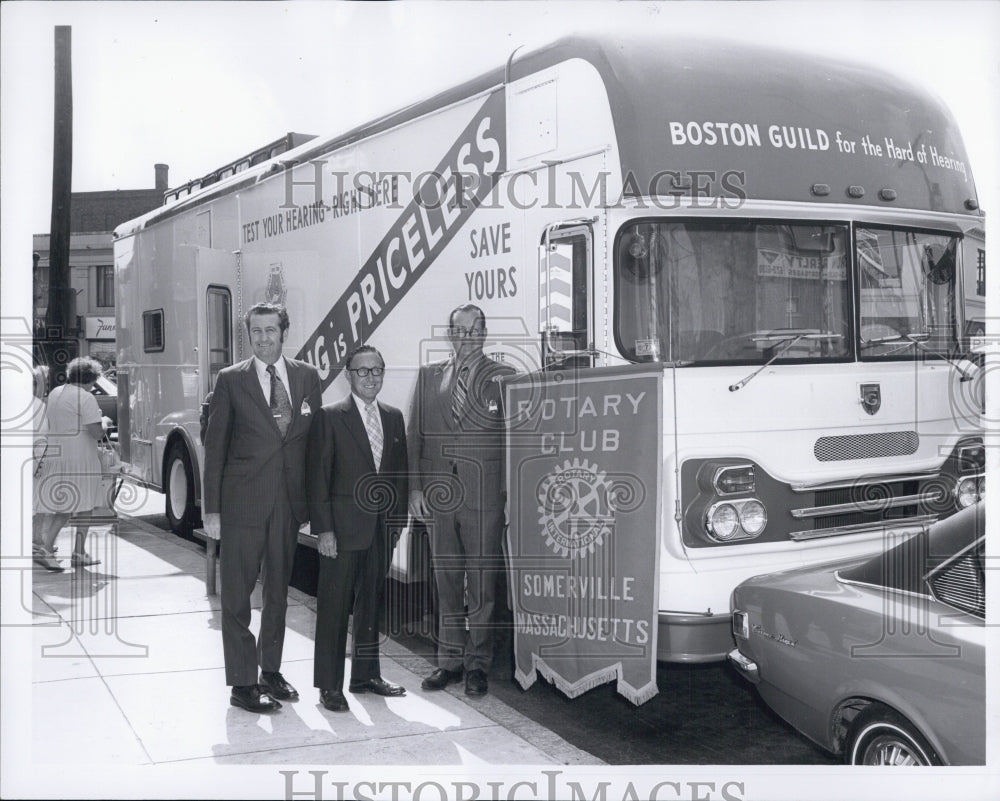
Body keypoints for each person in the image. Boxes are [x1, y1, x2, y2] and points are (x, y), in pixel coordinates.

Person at [203, 302, 322, 714]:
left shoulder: (307, 377)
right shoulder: (230, 380)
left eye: (271, 330)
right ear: (248, 335)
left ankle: (269, 670)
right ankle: (242, 681)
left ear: (284, 332)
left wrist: (313, 504)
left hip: (288, 504)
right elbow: (215, 447)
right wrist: (212, 510)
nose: (264, 338)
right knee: (236, 593)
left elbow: (313, 445)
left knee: (278, 594)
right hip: (242, 504)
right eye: (256, 331)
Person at [408, 304, 515, 697]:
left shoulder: (504, 379)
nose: (467, 337)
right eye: (459, 330)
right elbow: (414, 435)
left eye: (474, 330)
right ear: (449, 334)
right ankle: (449, 662)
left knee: (483, 585)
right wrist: (416, 488)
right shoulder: (428, 376)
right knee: (447, 580)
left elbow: (514, 440)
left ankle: (478, 665)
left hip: (484, 497)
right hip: (438, 496)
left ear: (484, 334)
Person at [306, 345, 409, 712]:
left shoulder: (394, 418)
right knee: (334, 607)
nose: (370, 378)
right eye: (362, 371)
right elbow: (318, 479)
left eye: (377, 370)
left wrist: (396, 525)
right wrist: (325, 531)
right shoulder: (330, 418)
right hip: (343, 532)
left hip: (381, 531)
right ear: (348, 375)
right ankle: (329, 685)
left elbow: (400, 476)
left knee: (371, 605)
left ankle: (365, 675)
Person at [34, 358, 106, 571]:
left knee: (67, 505)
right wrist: (105, 424)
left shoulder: (56, 392)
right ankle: (51, 550)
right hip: (80, 458)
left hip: (57, 456)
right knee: (80, 507)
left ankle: (77, 552)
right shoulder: (86, 398)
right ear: (90, 379)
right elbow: (95, 432)